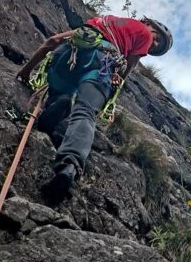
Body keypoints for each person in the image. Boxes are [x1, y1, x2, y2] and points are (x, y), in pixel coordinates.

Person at [16, 15, 173, 204]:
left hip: (70, 54)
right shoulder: (143, 34)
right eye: (156, 37)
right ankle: (70, 164)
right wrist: (110, 88)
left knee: (60, 91)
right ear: (147, 24)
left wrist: (26, 70)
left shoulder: (102, 21)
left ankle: (57, 106)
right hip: (103, 64)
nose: (153, 43)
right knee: (85, 111)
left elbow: (53, 41)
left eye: (157, 43)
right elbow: (125, 72)